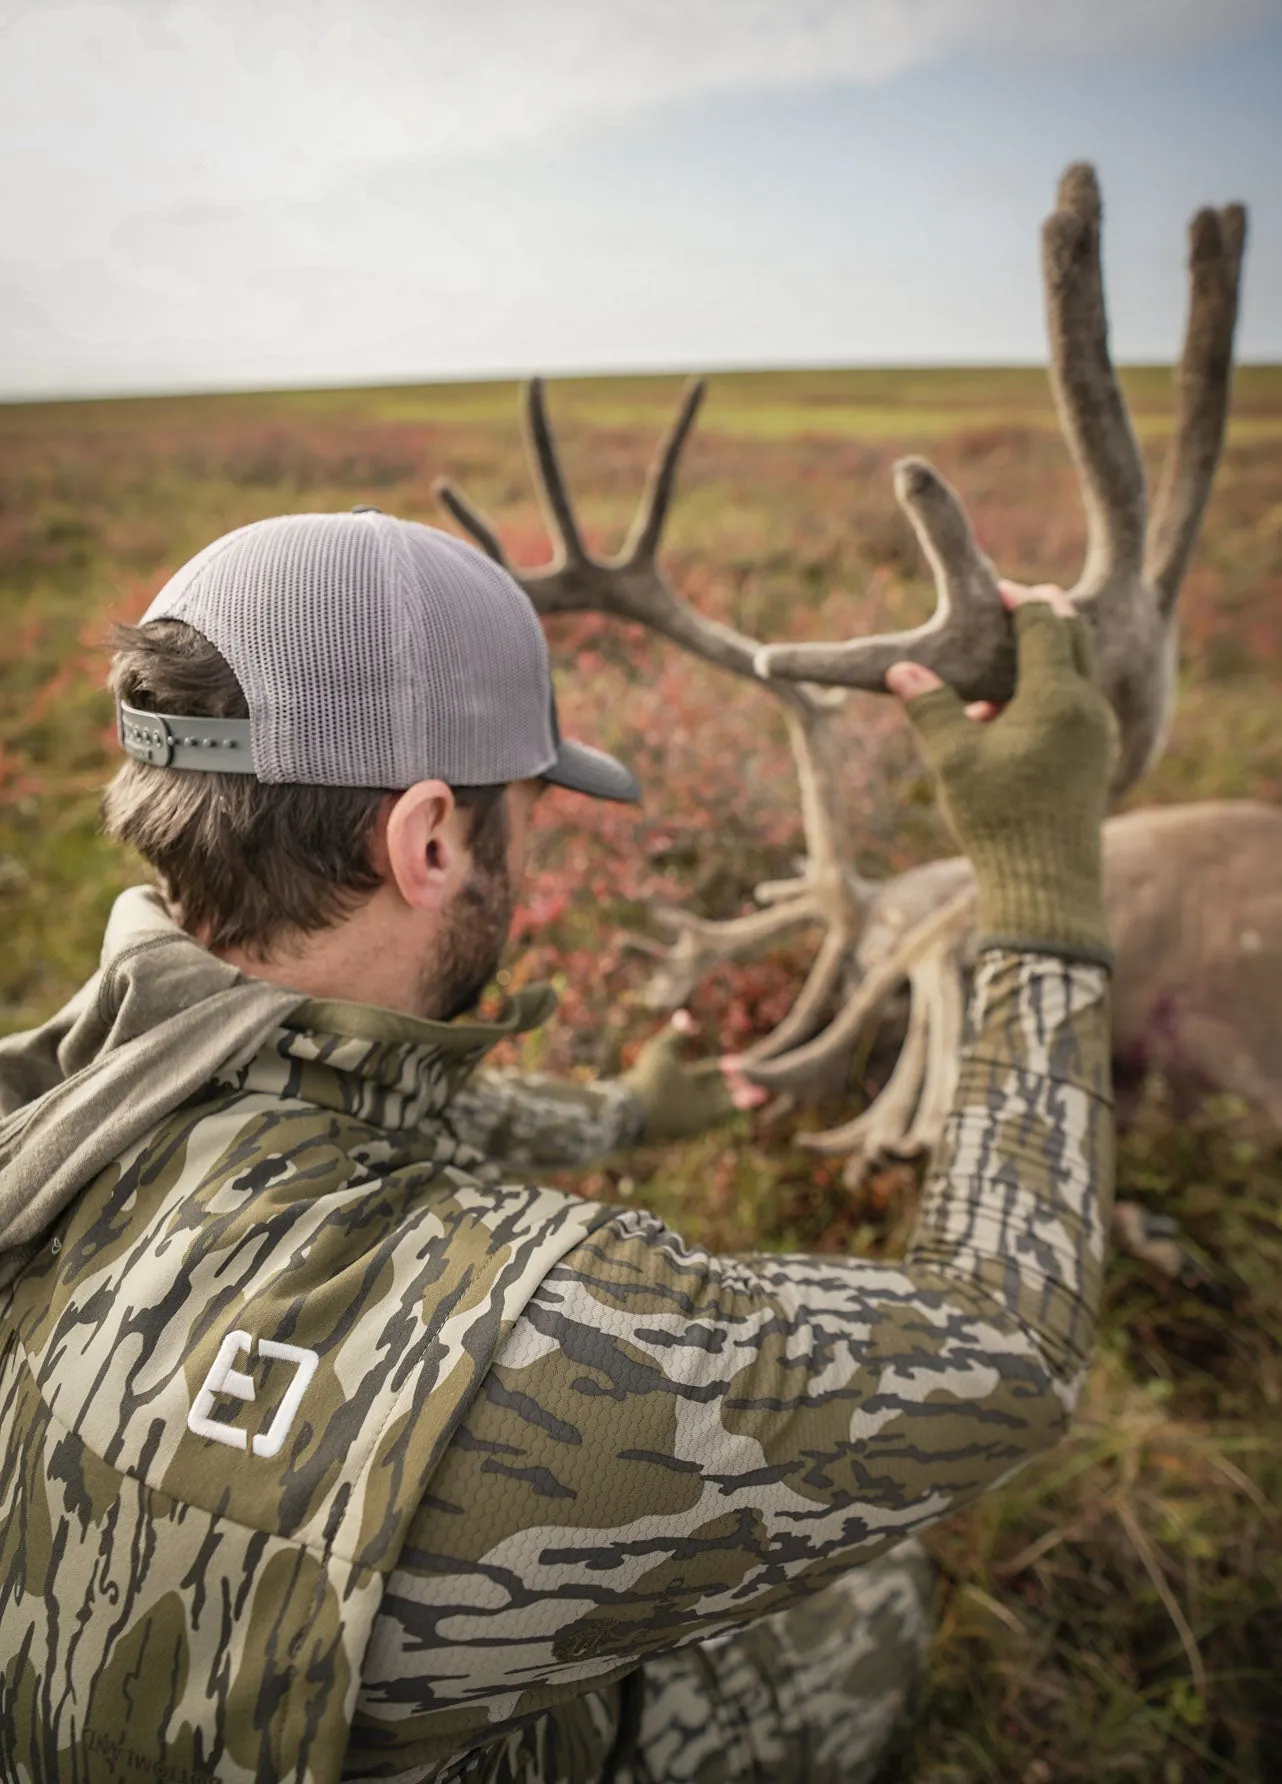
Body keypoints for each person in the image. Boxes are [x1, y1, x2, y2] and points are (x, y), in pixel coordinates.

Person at [0, 509, 1116, 1784]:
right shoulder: (548, 1353)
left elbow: (340, 1104)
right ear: (428, 841)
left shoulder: (59, 1100)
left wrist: (627, 1116)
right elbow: (1006, 1340)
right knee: (871, 1597)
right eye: (521, 813)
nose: (528, 853)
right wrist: (1039, 887)